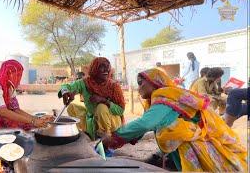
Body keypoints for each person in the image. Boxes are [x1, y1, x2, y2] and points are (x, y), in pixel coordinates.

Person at [102, 68, 246, 172]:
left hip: (191, 146)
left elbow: (146, 123)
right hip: (186, 144)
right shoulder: (167, 96)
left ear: (154, 82)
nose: (138, 86)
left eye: (141, 82)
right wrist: (126, 138)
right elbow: (150, 124)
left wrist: (114, 138)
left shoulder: (164, 96)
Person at [58, 57, 125, 140]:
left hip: (110, 122)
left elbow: (121, 110)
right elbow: (66, 86)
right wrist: (65, 91)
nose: (106, 70)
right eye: (102, 67)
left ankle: (105, 138)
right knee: (72, 107)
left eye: (108, 67)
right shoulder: (84, 83)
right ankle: (87, 132)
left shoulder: (114, 86)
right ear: (95, 69)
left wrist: (103, 100)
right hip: (92, 119)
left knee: (101, 107)